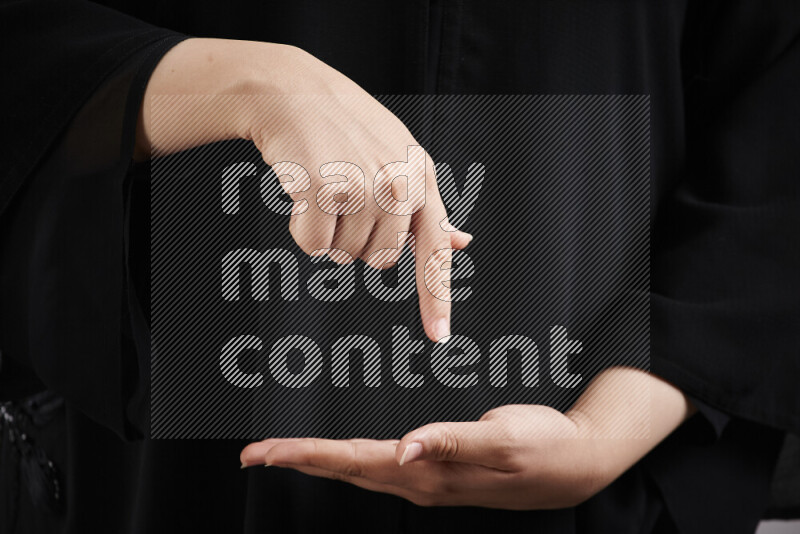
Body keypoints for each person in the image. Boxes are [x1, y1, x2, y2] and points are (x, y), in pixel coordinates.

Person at [1, 1, 798, 533]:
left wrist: (601, 433)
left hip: (594, 452)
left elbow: (774, 115)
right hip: (187, 456)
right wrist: (246, 83)